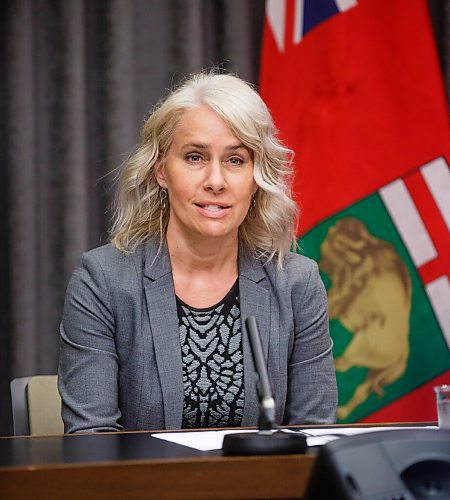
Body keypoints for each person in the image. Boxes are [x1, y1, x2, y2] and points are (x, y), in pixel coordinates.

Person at [58, 71, 337, 433]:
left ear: (257, 176)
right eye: (194, 157)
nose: (216, 181)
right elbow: (90, 440)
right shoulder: (103, 280)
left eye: (236, 160)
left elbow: (314, 434)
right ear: (161, 171)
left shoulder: (296, 282)